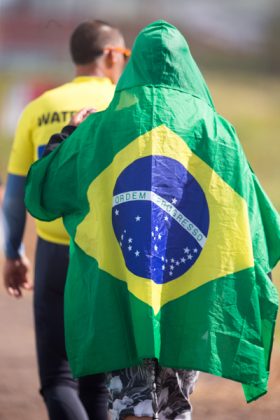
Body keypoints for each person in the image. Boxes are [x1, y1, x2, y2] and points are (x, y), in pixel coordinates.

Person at [24, 20, 280, 420]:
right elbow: (261, 222)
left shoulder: (100, 127)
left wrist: (68, 134)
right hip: (188, 297)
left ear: (134, 65)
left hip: (120, 290)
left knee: (129, 401)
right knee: (175, 403)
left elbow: (44, 192)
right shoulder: (216, 131)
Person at [2, 20, 129, 420]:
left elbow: (17, 190)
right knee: (99, 381)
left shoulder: (38, 109)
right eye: (123, 55)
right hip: (110, 257)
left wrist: (14, 252)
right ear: (109, 54)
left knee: (58, 380)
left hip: (55, 253)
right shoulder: (125, 103)